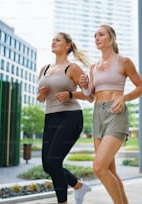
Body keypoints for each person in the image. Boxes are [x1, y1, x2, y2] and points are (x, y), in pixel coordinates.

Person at [80, 24, 142, 204]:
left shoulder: (123, 62)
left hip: (116, 114)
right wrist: (84, 85)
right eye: (95, 36)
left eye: (101, 35)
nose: (97, 38)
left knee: (99, 167)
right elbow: (90, 97)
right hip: (97, 115)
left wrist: (124, 97)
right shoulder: (94, 66)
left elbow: (141, 88)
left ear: (112, 38)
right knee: (111, 171)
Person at [37, 32, 93, 204]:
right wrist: (42, 94)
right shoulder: (44, 69)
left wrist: (70, 94)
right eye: (52, 39)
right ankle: (78, 186)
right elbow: (40, 98)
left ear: (67, 45)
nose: (53, 42)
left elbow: (90, 96)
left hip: (70, 117)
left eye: (57, 40)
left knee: (53, 162)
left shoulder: (73, 68)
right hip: (50, 118)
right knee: (48, 165)